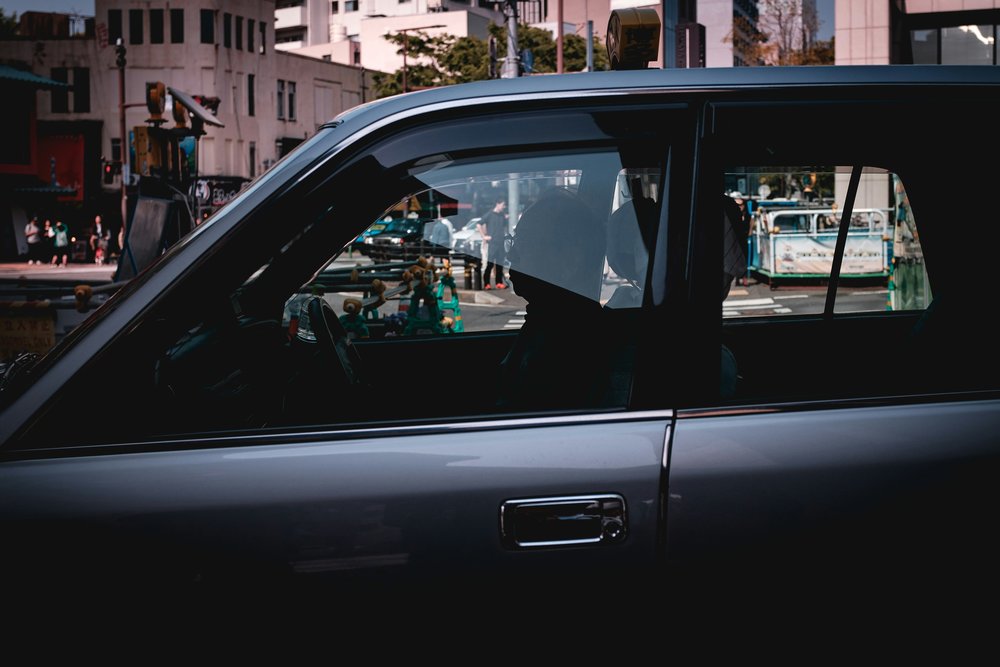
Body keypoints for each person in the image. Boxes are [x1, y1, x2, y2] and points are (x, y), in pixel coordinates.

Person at [476, 196, 508, 289]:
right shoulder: (489, 214)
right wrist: (484, 236)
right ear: (497, 204)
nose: (504, 207)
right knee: (490, 264)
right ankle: (487, 283)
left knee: (499, 264)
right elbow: (479, 224)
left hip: (501, 242)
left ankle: (499, 283)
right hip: (493, 243)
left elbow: (504, 227)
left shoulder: (502, 215)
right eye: (503, 205)